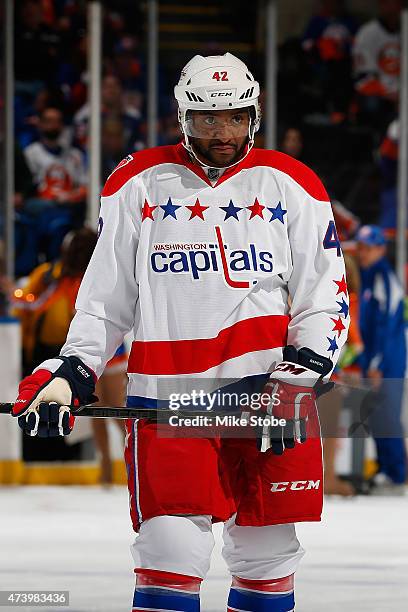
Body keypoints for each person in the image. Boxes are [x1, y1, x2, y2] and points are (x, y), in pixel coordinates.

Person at [12, 53, 349, 611]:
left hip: (265, 400)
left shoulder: (292, 183)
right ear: (183, 117)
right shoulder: (137, 182)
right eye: (209, 120)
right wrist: (69, 373)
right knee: (168, 554)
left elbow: (325, 295)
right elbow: (105, 301)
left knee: (268, 555)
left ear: (255, 114)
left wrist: (300, 375)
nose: (224, 132)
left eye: (237, 117)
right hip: (170, 404)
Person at [12, 227, 126, 474]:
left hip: (109, 350)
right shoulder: (65, 278)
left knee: (114, 407)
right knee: (98, 410)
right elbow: (35, 302)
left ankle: (124, 460)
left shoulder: (98, 276)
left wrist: (18, 295)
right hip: (89, 351)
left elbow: (34, 303)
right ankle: (106, 463)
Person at [356, 225, 406, 494]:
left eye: (368, 247)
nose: (362, 253)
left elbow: (386, 326)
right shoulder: (371, 276)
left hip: (387, 362)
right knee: (377, 415)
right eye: (361, 247)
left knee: (387, 415)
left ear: (381, 249)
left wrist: (376, 364)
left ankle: (397, 475)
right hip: (376, 360)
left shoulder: (384, 279)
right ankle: (387, 468)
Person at [22, 107, 87, 266]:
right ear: (41, 125)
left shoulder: (74, 155)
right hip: (43, 204)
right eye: (49, 122)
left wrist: (71, 196)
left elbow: (85, 186)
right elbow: (28, 189)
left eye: (57, 122)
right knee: (49, 214)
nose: (54, 126)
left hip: (69, 204)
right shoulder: (31, 153)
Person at [353, 0, 401, 129]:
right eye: (387, 3)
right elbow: (364, 79)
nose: (393, 7)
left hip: (402, 94)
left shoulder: (405, 30)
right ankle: (379, 144)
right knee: (373, 104)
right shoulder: (367, 33)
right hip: (378, 93)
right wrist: (392, 96)